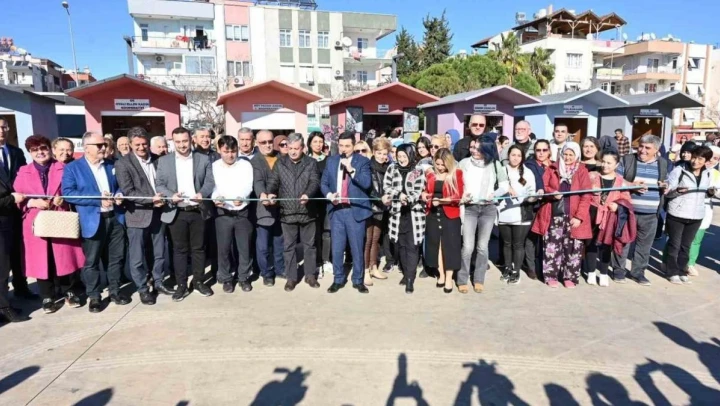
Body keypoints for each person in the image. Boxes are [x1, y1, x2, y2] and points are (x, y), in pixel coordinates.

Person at [12, 135, 84, 314]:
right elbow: (16, 197)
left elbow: (72, 190)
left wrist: (63, 199)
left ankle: (69, 291)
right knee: (42, 259)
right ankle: (47, 296)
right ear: (29, 153)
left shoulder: (63, 168)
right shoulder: (23, 171)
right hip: (36, 221)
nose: (40, 152)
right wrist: (32, 202)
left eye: (43, 148)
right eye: (34, 150)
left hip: (59, 217)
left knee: (64, 257)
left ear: (50, 149)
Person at [62, 131, 128, 312]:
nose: (103, 148)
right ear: (86, 147)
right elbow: (68, 194)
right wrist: (98, 200)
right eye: (99, 145)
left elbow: (120, 186)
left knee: (116, 258)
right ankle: (94, 296)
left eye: (104, 144)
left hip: (115, 218)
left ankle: (115, 291)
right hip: (92, 220)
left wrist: (119, 195)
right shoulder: (73, 168)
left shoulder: (111, 164)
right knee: (91, 261)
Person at [156, 127, 216, 301]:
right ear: (173, 142)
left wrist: (202, 194)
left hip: (197, 210)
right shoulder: (164, 161)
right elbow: (159, 184)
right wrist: (170, 196)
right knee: (179, 250)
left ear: (191, 140)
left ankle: (198, 282)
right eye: (178, 142)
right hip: (177, 212)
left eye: (185, 141)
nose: (182, 145)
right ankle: (181, 285)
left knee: (199, 249)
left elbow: (210, 181)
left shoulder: (203, 159)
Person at [115, 127, 170, 306]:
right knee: (137, 257)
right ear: (130, 144)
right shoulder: (123, 164)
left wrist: (164, 198)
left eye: (144, 144)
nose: (141, 147)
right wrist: (152, 200)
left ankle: (158, 282)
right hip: (137, 215)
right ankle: (143, 289)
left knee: (159, 252)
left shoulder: (158, 160)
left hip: (159, 214)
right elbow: (128, 192)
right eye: (137, 144)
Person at [532, 142, 592, 288]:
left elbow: (586, 195)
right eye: (565, 154)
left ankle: (569, 277)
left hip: (574, 216)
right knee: (552, 246)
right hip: (554, 214)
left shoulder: (582, 171)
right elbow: (544, 187)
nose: (568, 157)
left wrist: (579, 217)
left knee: (573, 247)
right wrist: (552, 193)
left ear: (576, 155)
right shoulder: (552, 168)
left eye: (571, 154)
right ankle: (551, 276)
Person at [612, 135, 670, 285]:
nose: (642, 150)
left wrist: (665, 186)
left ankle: (638, 273)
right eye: (640, 146)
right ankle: (618, 271)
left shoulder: (663, 163)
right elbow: (616, 179)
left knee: (644, 246)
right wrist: (631, 185)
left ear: (656, 150)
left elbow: (667, 180)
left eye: (647, 148)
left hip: (651, 213)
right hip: (627, 211)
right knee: (623, 242)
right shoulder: (627, 160)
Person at [267, 133, 320, 292]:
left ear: (302, 148)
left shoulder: (311, 163)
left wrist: (308, 195)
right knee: (289, 247)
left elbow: (314, 181)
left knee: (309, 246)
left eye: (296, 148)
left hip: (307, 211)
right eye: (290, 148)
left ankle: (310, 275)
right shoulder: (280, 163)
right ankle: (291, 278)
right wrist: (270, 193)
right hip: (287, 211)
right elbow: (273, 181)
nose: (292, 151)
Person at [321, 131, 373, 294]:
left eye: (347, 146)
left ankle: (358, 280)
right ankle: (338, 279)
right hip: (337, 210)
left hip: (354, 210)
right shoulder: (331, 161)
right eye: (341, 146)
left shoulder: (363, 162)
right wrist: (329, 195)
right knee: (337, 248)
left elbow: (366, 183)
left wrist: (351, 169)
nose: (344, 149)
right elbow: (324, 183)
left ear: (354, 145)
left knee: (357, 248)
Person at [457, 135, 509, 293]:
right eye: (473, 147)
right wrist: (463, 194)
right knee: (467, 247)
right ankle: (462, 279)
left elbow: (505, 185)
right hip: (470, 208)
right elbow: (456, 183)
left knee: (482, 246)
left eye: (478, 149)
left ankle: (479, 279)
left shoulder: (495, 165)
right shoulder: (464, 163)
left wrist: (494, 194)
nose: (474, 151)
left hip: (488, 209)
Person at [664, 146, 716, 284]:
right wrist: (677, 191)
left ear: (706, 161)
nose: (695, 161)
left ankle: (682, 271)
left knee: (686, 246)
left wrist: (710, 193)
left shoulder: (708, 174)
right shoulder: (679, 170)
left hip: (696, 215)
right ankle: (672, 272)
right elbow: (667, 192)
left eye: (700, 159)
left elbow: (704, 194)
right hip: (677, 213)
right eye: (694, 157)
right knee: (674, 244)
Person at [211, 135, 254, 293]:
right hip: (223, 213)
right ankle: (226, 278)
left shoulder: (245, 165)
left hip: (242, 212)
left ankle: (243, 277)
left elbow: (248, 185)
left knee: (244, 247)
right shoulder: (214, 166)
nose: (230, 155)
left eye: (233, 151)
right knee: (224, 248)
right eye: (226, 151)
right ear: (219, 150)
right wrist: (216, 198)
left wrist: (242, 197)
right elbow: (212, 186)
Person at [585, 151, 634, 287]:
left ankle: (604, 273)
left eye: (609, 163)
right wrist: (590, 189)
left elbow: (627, 200)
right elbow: (582, 192)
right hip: (592, 213)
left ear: (616, 165)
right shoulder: (592, 176)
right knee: (590, 243)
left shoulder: (620, 181)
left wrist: (618, 206)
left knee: (606, 245)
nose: (605, 165)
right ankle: (590, 272)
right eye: (603, 162)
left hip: (610, 216)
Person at [382, 143, 426, 293]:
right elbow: (387, 186)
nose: (401, 159)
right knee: (401, 245)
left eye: (404, 156)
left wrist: (408, 198)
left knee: (412, 246)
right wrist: (397, 194)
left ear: (410, 155)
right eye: (399, 156)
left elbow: (418, 190)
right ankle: (406, 273)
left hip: (413, 213)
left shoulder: (418, 170)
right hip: (397, 213)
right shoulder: (392, 168)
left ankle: (409, 279)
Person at [0, 117, 35, 300]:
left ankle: (21, 288)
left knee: (18, 253)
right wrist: (10, 198)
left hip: (17, 212)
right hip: (1, 212)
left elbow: (23, 178)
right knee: (3, 260)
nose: (1, 131)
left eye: (4, 127)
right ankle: (3, 301)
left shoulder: (16, 152)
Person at [422, 148, 464, 293]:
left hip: (450, 214)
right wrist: (424, 194)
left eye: (442, 164)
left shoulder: (457, 174)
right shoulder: (430, 174)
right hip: (433, 214)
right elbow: (426, 191)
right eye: (437, 164)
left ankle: (449, 278)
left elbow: (458, 197)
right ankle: (441, 274)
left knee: (450, 246)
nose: (440, 167)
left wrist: (441, 201)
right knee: (436, 246)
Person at [497, 145, 537, 285]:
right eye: (513, 155)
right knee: (507, 243)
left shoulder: (528, 172)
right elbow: (496, 188)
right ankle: (507, 267)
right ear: (508, 156)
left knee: (518, 244)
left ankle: (516, 271)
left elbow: (532, 191)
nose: (515, 158)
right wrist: (504, 189)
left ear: (522, 157)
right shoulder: (502, 170)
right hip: (504, 212)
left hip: (521, 213)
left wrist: (531, 197)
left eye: (519, 155)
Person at [252, 130, 286, 286]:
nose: (267, 145)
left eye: (270, 141)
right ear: (257, 143)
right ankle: (266, 273)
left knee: (280, 243)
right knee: (263, 246)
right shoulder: (255, 161)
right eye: (263, 142)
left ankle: (280, 269)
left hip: (281, 208)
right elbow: (258, 181)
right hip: (263, 209)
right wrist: (263, 195)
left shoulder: (282, 158)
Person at [683, 146, 720, 276]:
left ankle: (690, 264)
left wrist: (714, 192)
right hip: (684, 208)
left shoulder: (716, 174)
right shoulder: (686, 168)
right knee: (677, 238)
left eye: (715, 158)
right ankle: (668, 261)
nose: (711, 161)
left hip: (704, 209)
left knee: (696, 239)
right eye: (709, 157)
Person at [364, 137, 391, 286]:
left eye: (384, 153)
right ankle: (365, 271)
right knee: (368, 240)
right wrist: (380, 199)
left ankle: (374, 267)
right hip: (369, 207)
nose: (382, 156)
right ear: (373, 152)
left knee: (376, 239)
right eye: (379, 153)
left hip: (381, 207)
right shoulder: (368, 166)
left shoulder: (388, 167)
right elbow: (368, 188)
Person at [307, 132, 331, 278]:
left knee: (327, 232)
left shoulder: (329, 160)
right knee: (314, 233)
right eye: (315, 141)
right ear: (310, 143)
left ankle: (326, 260)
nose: (318, 144)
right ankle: (316, 262)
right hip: (311, 202)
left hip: (326, 201)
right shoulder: (306, 160)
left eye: (320, 141)